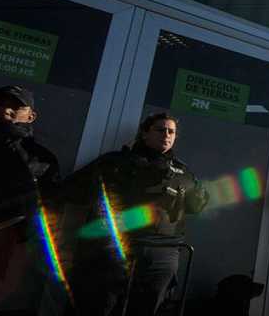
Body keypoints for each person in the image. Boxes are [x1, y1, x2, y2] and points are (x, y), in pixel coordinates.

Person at [65, 113, 208, 316]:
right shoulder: (116, 163)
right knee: (99, 307)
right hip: (116, 250)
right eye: (160, 129)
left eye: (171, 131)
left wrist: (198, 195)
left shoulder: (183, 173)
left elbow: (197, 206)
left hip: (162, 256)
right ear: (144, 133)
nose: (166, 135)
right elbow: (73, 191)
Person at [0, 85, 59, 309]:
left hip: (8, 247)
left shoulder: (42, 159)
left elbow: (48, 208)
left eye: (15, 105)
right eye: (1, 103)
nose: (6, 110)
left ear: (31, 116)